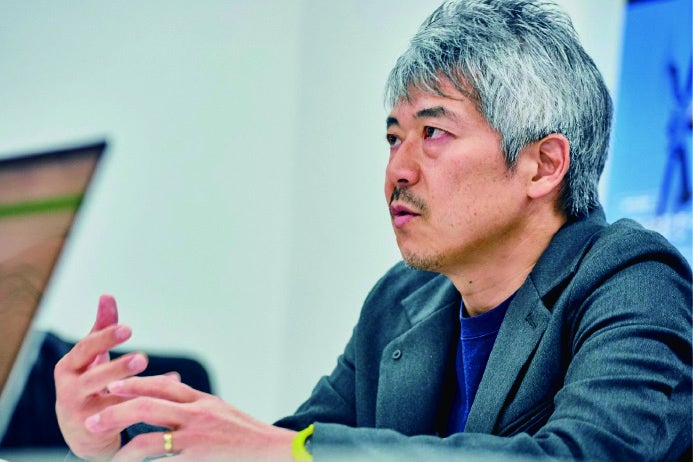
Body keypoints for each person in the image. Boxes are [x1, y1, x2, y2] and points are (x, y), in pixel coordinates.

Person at [54, 0, 692, 460]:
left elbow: (580, 456)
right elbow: (280, 446)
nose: (397, 171)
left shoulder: (636, 282)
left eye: (433, 132)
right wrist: (118, 437)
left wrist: (291, 450)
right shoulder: (402, 300)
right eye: (393, 138)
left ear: (543, 164)